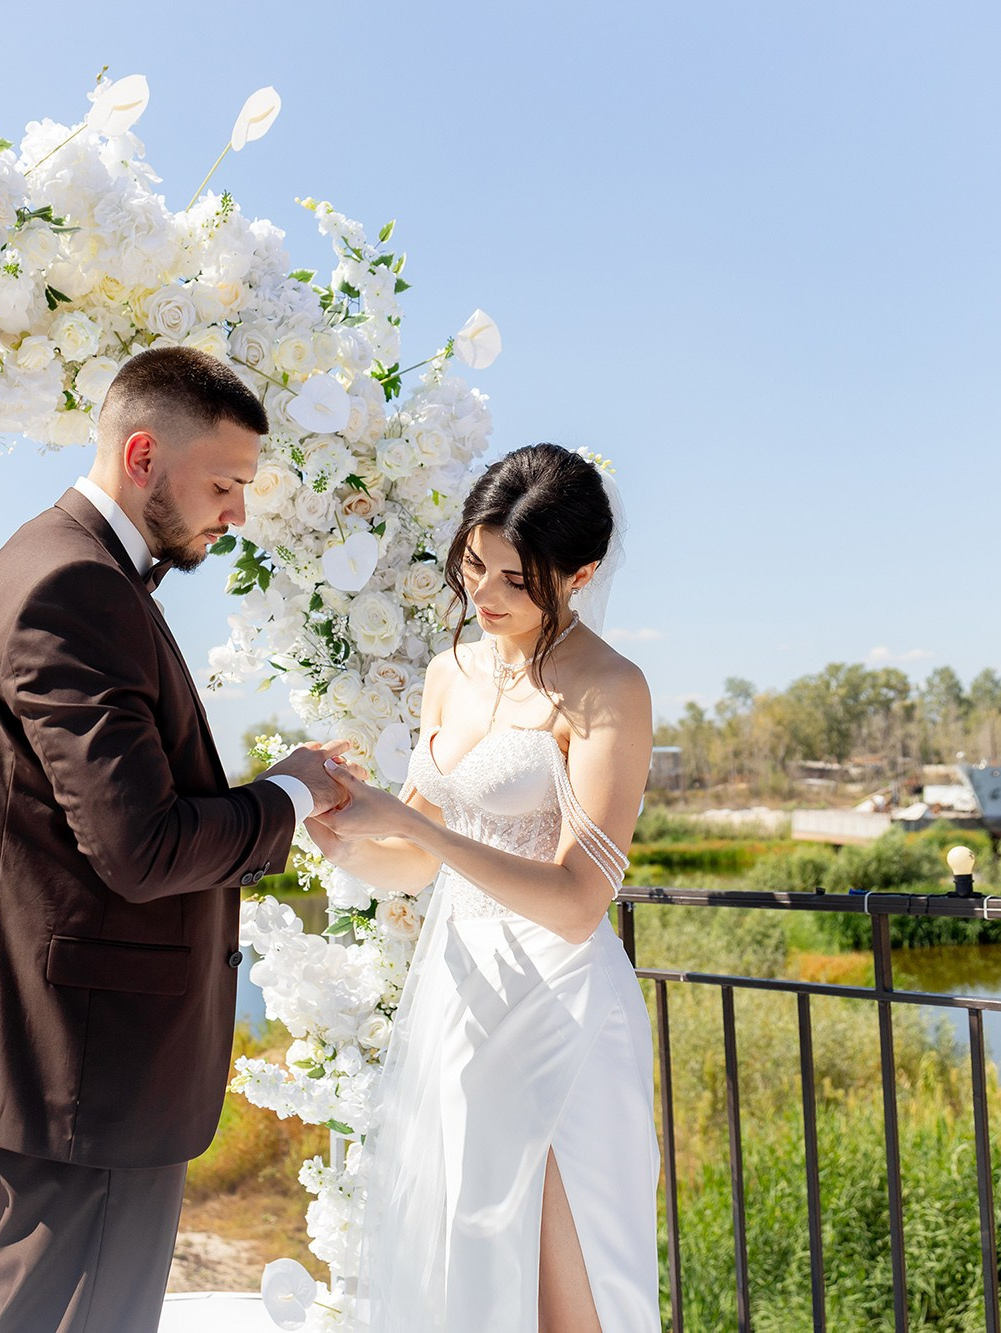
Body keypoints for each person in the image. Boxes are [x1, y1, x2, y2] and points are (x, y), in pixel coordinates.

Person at [0, 346, 355, 1333]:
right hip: (83, 1060)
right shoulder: (74, 587)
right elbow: (139, 846)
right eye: (224, 483)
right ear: (143, 453)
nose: (235, 513)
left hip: (58, 1039)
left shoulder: (55, 560)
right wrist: (287, 794)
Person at [308, 443, 663, 1332]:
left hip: (562, 1006)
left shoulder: (610, 688)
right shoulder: (449, 673)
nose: (486, 594)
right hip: (461, 997)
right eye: (474, 563)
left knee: (569, 1287)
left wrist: (421, 825)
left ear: (579, 575)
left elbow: (582, 901)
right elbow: (416, 861)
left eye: (517, 577)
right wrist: (342, 840)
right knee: (469, 1264)